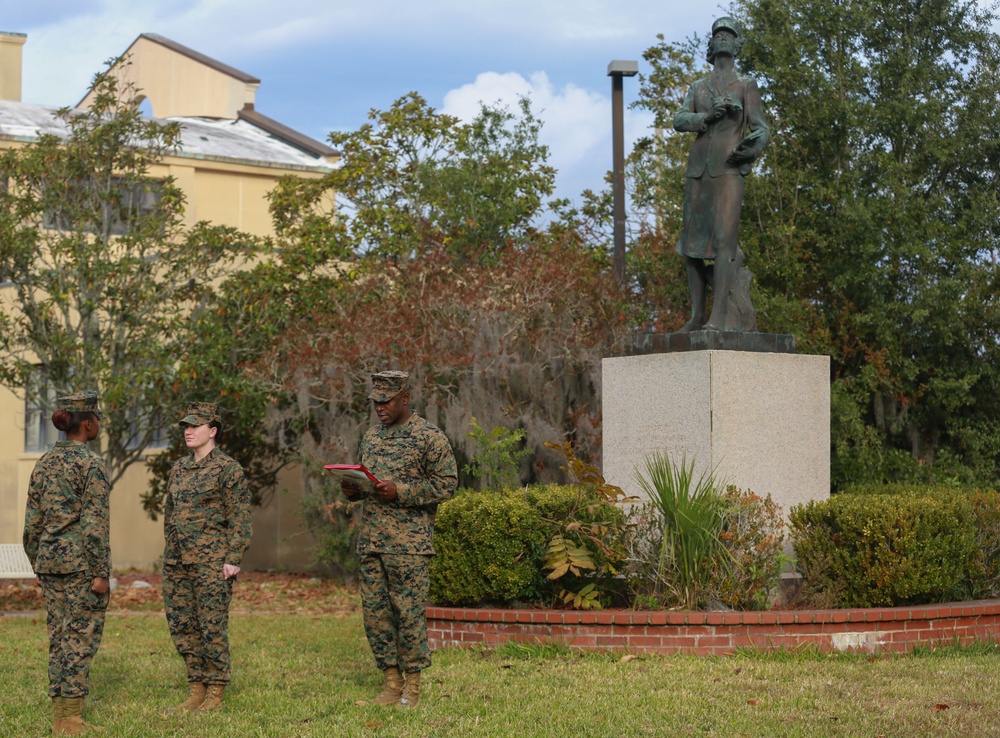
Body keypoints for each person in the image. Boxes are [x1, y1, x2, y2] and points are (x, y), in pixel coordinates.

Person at [342, 371, 457, 708]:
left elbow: (447, 485)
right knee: (376, 616)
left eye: (386, 400)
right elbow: (367, 483)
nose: (380, 407)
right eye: (375, 401)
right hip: (373, 542)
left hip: (409, 546)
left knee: (408, 615)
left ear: (405, 399)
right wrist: (352, 490)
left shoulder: (429, 437)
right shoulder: (371, 438)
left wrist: (402, 491)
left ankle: (413, 689)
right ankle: (391, 684)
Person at [22, 390, 111, 736]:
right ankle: (71, 720)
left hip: (50, 564)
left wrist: (38, 563)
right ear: (87, 424)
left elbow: (32, 524)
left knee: (59, 637)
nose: (99, 423)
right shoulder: (90, 465)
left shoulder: (43, 463)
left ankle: (61, 716)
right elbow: (95, 525)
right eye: (97, 418)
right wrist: (101, 572)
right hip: (80, 568)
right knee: (79, 638)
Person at [674, 16, 770, 332]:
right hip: (698, 170)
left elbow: (761, 128)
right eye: (719, 35)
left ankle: (719, 318)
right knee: (690, 246)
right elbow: (679, 119)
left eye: (730, 35)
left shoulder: (746, 85)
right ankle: (697, 316)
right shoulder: (698, 87)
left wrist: (746, 152)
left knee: (723, 241)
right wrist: (707, 116)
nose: (724, 39)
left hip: (728, 169)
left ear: (737, 44)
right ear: (712, 45)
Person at [161, 401, 252, 714]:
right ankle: (195, 688)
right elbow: (169, 513)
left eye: (194, 426)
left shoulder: (228, 469)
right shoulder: (179, 468)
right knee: (182, 625)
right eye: (186, 427)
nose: (188, 432)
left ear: (212, 431)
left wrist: (233, 557)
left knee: (211, 626)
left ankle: (215, 690)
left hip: (212, 562)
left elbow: (240, 516)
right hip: (177, 561)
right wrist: (170, 549)